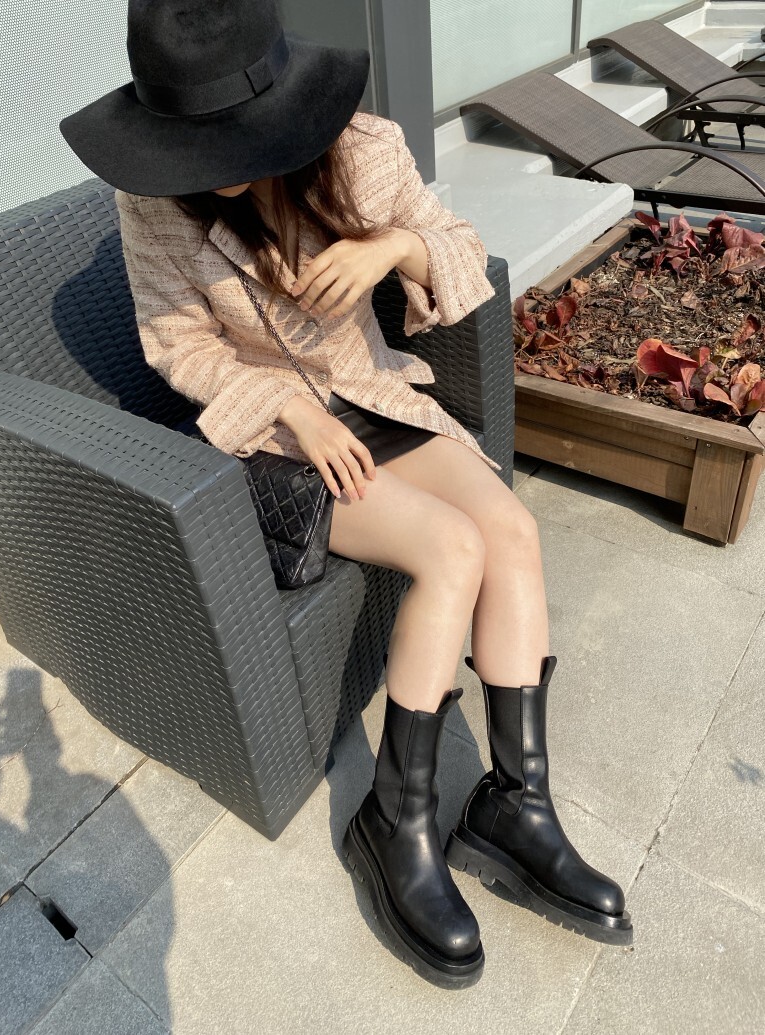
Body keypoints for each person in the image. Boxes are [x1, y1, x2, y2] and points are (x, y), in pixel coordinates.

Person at [60, 0, 632, 989]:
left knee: (507, 526)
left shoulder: (363, 150)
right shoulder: (153, 199)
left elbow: (456, 249)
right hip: (275, 438)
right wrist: (291, 411)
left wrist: (394, 249)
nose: (216, 163)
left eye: (234, 135)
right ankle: (393, 821)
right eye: (195, 142)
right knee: (450, 548)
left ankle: (514, 803)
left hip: (374, 394)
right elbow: (176, 346)